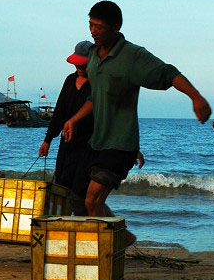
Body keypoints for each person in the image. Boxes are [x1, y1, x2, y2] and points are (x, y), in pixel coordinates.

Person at [62, 1, 211, 245]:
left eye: (99, 26)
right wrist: (74, 119)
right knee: (78, 199)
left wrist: (195, 96)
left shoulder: (132, 55)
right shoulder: (92, 57)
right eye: (90, 25)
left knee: (92, 201)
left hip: (120, 143)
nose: (93, 31)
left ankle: (105, 254)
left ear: (116, 26)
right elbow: (95, 97)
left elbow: (168, 72)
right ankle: (122, 237)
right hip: (96, 141)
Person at [39, 40, 145, 216]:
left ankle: (102, 231)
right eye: (77, 64)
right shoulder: (70, 80)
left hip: (92, 147)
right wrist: (47, 140)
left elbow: (117, 118)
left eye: (83, 64)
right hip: (67, 146)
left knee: (82, 196)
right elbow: (59, 113)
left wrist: (132, 147)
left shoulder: (101, 83)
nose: (79, 68)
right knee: (62, 189)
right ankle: (66, 233)